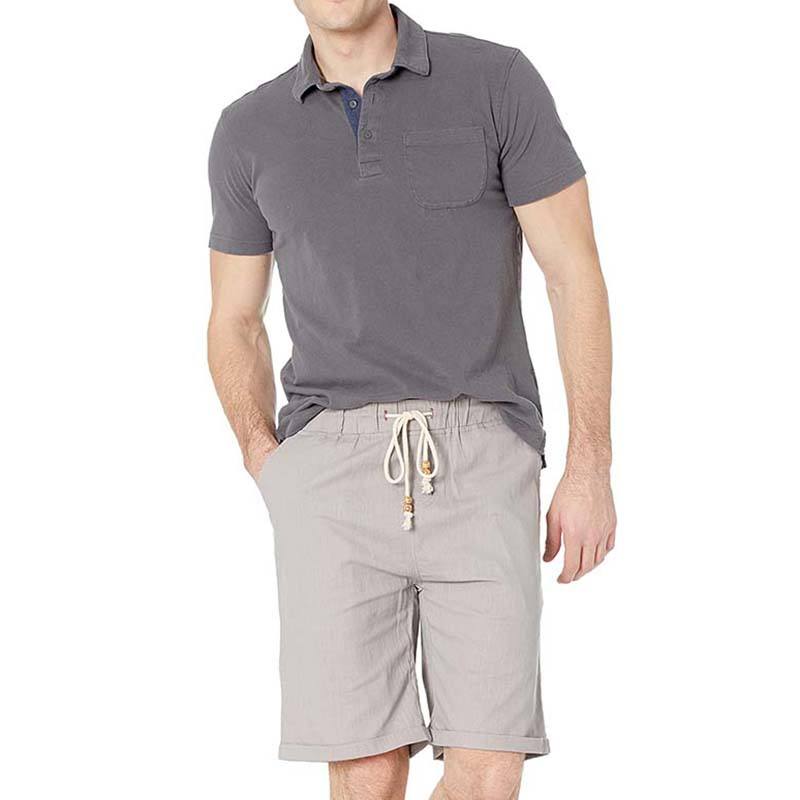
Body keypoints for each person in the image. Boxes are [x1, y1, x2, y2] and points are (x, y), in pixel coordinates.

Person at [207, 2, 616, 797]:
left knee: (488, 768)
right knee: (365, 771)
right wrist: (267, 459)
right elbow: (233, 318)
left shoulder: (497, 80)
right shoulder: (248, 130)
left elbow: (574, 274)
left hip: (480, 453)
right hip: (329, 472)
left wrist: (590, 464)